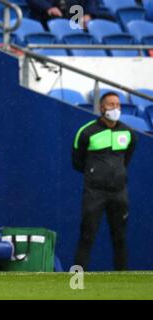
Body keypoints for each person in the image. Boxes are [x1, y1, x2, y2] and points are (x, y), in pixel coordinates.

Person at [72, 92, 137, 271]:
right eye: (111, 105)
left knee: (120, 238)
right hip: (95, 193)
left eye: (118, 105)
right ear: (102, 108)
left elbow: (126, 159)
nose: (115, 108)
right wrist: (96, 174)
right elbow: (78, 162)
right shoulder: (87, 132)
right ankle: (77, 280)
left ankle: (121, 280)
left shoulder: (128, 132)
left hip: (119, 193)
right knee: (87, 236)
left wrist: (117, 175)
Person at [26, 0, 99, 29]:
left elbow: (91, 1)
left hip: (75, 14)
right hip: (48, 15)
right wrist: (48, 8)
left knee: (107, 19)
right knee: (54, 20)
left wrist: (88, 14)